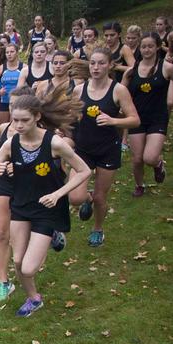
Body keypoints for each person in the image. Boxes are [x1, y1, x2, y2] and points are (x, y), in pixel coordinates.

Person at [0, 93, 91, 317]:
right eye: (15, 120)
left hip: (47, 209)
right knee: (17, 261)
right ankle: (34, 299)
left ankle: (52, 234)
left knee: (28, 268)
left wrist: (58, 194)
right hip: (21, 206)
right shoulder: (10, 144)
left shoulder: (53, 142)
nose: (19, 125)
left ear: (37, 117)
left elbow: (84, 171)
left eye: (25, 120)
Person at [71, 48, 140, 247]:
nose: (96, 67)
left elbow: (135, 120)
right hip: (83, 148)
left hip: (107, 149)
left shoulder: (118, 90)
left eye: (101, 63)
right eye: (92, 63)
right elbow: (72, 117)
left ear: (110, 65)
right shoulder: (79, 90)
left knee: (101, 198)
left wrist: (113, 121)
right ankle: (87, 197)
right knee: (75, 197)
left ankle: (97, 229)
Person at [0, 85, 36, 302]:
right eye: (13, 106)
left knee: (31, 232)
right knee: (2, 234)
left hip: (32, 187)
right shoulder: (5, 128)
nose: (17, 119)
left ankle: (50, 234)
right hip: (6, 186)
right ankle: (4, 281)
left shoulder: (44, 135)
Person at [123, 33, 172, 196]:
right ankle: (139, 185)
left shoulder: (166, 67)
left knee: (149, 158)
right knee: (137, 159)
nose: (147, 50)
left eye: (151, 46)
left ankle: (158, 164)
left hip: (158, 118)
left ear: (158, 47)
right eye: (143, 46)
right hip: (137, 119)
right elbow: (121, 92)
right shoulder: (131, 71)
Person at [0, 43, 26, 125]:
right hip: (4, 100)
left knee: (15, 125)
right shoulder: (1, 68)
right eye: (7, 52)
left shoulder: (24, 67)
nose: (9, 54)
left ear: (17, 52)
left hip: (19, 102)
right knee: (4, 126)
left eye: (12, 52)